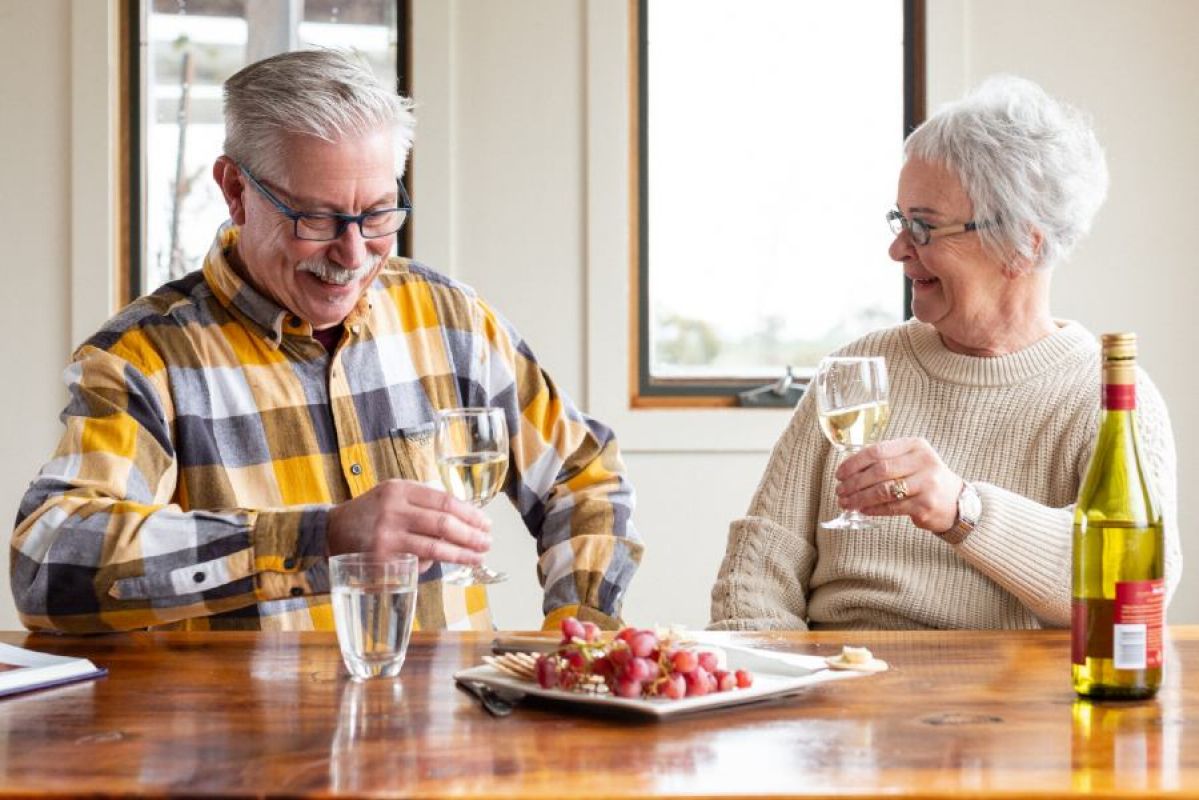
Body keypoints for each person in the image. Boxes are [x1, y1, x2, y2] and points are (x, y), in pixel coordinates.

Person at [11, 49, 642, 633]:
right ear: (235, 191)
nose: (352, 252)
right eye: (316, 219)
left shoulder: (449, 319)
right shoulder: (144, 359)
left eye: (376, 214)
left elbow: (583, 475)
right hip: (244, 749)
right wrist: (321, 538)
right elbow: (48, 565)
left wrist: (577, 621)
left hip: (450, 738)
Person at [710, 75, 1180, 630]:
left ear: (1022, 244)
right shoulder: (856, 373)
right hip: (837, 697)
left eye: (924, 227)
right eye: (899, 220)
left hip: (1006, 711)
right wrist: (792, 696)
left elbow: (1131, 589)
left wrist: (964, 510)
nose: (897, 248)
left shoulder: (1111, 398)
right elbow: (756, 578)